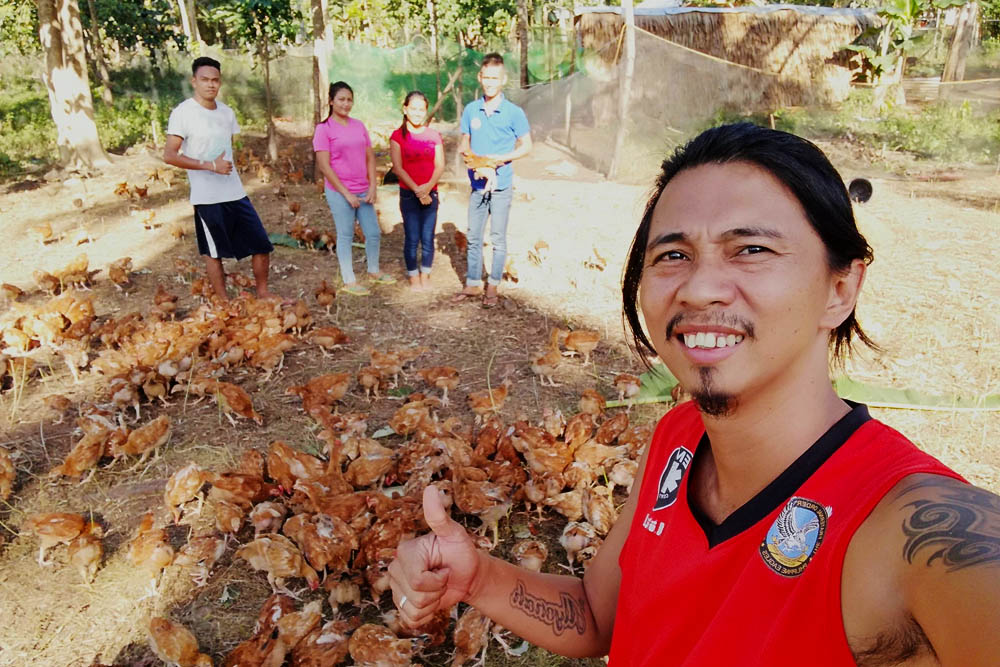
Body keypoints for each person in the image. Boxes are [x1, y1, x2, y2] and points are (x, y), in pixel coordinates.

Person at [389, 124, 1000, 663]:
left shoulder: (914, 533)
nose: (701, 286)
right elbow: (603, 617)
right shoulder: (676, 440)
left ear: (840, 288)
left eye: (752, 249)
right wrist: (479, 579)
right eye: (673, 254)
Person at [164, 56, 276, 300]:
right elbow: (170, 155)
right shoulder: (183, 113)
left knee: (261, 244)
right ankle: (224, 303)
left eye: (215, 80)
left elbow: (229, 149)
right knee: (213, 253)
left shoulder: (227, 113)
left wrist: (225, 166)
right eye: (204, 80)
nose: (210, 85)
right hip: (207, 197)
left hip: (235, 192)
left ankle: (263, 292)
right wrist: (209, 165)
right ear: (194, 81)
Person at [452, 53, 532, 308]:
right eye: (486, 77)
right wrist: (474, 161)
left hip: (501, 185)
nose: (489, 82)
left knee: (497, 237)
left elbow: (527, 146)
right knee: (474, 235)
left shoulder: (513, 113)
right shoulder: (471, 110)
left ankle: (493, 285)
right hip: (477, 184)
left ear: (503, 79)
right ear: (480, 77)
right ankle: (473, 282)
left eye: (494, 78)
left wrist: (498, 160)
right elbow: (465, 142)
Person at [313, 81, 396, 296]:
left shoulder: (359, 126)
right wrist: (346, 193)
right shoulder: (324, 129)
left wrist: (373, 187)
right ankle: (349, 280)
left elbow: (369, 157)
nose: (346, 104)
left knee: (373, 233)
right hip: (340, 191)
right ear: (331, 101)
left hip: (363, 189)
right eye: (341, 99)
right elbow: (324, 165)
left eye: (349, 99)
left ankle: (373, 271)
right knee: (346, 234)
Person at [389, 91, 444, 290]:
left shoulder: (434, 135)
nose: (418, 113)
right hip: (409, 195)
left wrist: (427, 189)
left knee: (428, 237)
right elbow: (398, 168)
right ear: (405, 109)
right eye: (413, 109)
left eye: (421, 109)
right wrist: (417, 191)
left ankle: (426, 274)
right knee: (412, 237)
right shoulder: (397, 136)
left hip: (431, 195)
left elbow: (440, 166)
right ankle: (413, 275)